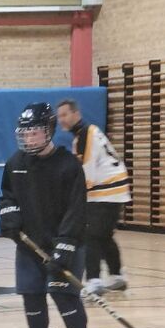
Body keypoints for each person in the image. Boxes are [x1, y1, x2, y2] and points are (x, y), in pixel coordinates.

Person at [0, 102, 97, 328]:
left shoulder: (68, 165)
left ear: (49, 131)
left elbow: (76, 210)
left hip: (65, 243)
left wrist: (64, 247)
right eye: (25, 134)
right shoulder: (15, 164)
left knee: (63, 294)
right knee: (30, 294)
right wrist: (9, 216)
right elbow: (6, 197)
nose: (29, 139)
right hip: (31, 244)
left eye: (35, 133)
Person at [57, 98, 131, 295]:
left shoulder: (85, 135)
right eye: (59, 116)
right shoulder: (85, 134)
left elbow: (86, 173)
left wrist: (74, 198)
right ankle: (118, 276)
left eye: (65, 114)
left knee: (91, 235)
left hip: (107, 191)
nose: (61, 119)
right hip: (114, 191)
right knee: (103, 235)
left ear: (76, 114)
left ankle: (94, 281)